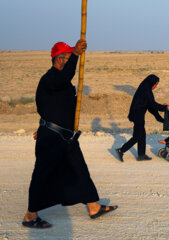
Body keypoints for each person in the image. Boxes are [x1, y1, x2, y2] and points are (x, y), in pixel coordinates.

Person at [22, 40, 117, 229]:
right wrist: (75, 54)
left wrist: (44, 125)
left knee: (80, 170)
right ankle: (30, 216)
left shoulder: (61, 82)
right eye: (67, 57)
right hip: (52, 139)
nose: (70, 61)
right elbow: (62, 79)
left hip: (65, 137)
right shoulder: (50, 78)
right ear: (59, 60)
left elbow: (51, 107)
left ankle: (93, 206)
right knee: (42, 175)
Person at [115, 74, 169, 161]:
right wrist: (165, 108)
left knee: (141, 135)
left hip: (138, 115)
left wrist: (162, 119)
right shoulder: (146, 91)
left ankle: (141, 155)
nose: (156, 86)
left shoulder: (146, 90)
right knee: (138, 136)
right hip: (137, 115)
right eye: (156, 84)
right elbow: (154, 105)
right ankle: (121, 150)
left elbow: (151, 108)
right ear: (151, 83)